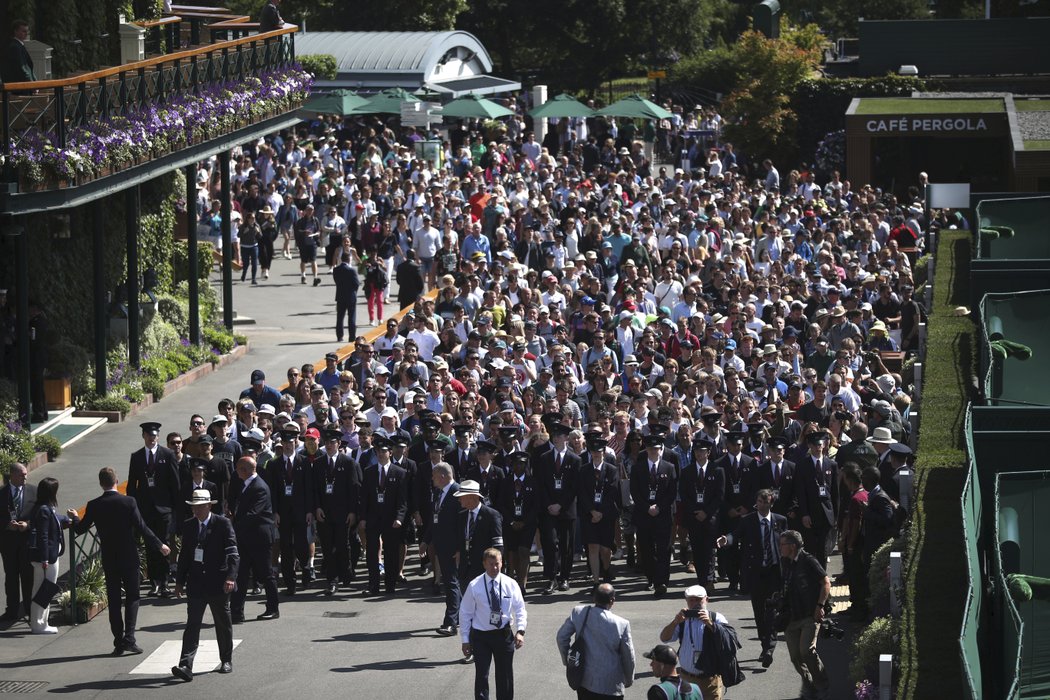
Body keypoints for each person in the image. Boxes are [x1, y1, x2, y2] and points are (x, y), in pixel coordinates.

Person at [74, 467, 170, 654]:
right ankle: (130, 638)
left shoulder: (94, 505)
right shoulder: (128, 501)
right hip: (129, 557)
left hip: (110, 558)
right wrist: (160, 545)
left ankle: (118, 642)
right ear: (116, 480)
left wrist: (75, 518)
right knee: (133, 597)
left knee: (114, 600)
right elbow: (142, 528)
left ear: (101, 483)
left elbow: (80, 529)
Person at [171, 489, 238, 681]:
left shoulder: (223, 524)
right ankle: (185, 664)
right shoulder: (189, 525)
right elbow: (184, 556)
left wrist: (231, 577)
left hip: (218, 582)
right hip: (196, 584)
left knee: (222, 623)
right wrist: (179, 582)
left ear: (209, 506)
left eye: (200, 506)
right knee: (192, 625)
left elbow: (233, 553)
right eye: (194, 507)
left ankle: (226, 659)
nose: (197, 510)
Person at [716, 488, 786, 666]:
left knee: (771, 610)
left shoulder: (780, 521)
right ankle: (765, 646)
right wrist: (727, 539)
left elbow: (788, 543)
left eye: (766, 502)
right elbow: (736, 534)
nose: (762, 505)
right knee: (759, 612)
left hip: (774, 572)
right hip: (755, 572)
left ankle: (769, 647)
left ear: (771, 503)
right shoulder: (748, 521)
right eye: (759, 502)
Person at [459, 548, 527, 700]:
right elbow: (465, 613)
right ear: (484, 564)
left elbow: (520, 609)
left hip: (503, 635)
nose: (495, 568)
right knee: (482, 675)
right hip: (481, 637)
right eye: (491, 564)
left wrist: (520, 631)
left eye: (497, 564)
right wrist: (465, 639)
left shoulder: (511, 584)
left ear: (502, 562)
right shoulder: (474, 585)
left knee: (505, 676)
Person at [126, 421, 181, 598]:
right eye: (148, 435)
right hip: (145, 509)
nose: (151, 438)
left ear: (158, 437)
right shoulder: (137, 457)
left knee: (163, 543)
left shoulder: (168, 454)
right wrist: (133, 508)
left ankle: (164, 582)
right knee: (150, 545)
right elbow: (132, 486)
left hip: (164, 509)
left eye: (154, 435)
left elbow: (175, 484)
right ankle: (154, 583)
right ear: (144, 436)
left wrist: (174, 509)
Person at [556, 583, 636, 699]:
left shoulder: (579, 613)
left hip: (584, 681)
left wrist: (568, 661)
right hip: (610, 686)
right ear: (612, 600)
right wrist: (628, 679)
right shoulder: (621, 624)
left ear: (594, 598)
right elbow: (628, 656)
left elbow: (561, 637)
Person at [778, 529, 831, 700]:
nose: (780, 547)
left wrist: (820, 605)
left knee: (806, 651)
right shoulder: (785, 562)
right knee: (795, 656)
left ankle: (822, 684)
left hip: (809, 615)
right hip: (791, 617)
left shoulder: (808, 561)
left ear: (792, 546)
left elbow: (825, 582)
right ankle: (809, 685)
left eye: (783, 544)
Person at [657, 585, 733, 699]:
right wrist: (675, 622)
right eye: (691, 600)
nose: (695, 603)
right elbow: (664, 638)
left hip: (709, 680)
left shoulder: (716, 618)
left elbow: (730, 640)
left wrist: (710, 624)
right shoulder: (682, 621)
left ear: (706, 599)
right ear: (686, 601)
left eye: (698, 599)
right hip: (686, 679)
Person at [229, 456, 280, 622]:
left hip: (259, 538)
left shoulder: (259, 487)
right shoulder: (245, 485)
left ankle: (273, 608)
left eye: (238, 468)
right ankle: (236, 611)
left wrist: (233, 526)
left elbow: (253, 513)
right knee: (241, 574)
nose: (236, 471)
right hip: (245, 537)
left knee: (266, 573)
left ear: (245, 470)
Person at [361, 435, 409, 595]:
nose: (380, 454)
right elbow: (364, 498)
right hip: (373, 518)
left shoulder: (400, 472)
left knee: (391, 553)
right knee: (372, 553)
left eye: (383, 451)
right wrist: (363, 519)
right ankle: (373, 585)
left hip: (391, 519)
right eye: (377, 451)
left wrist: (399, 518)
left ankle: (390, 585)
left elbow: (403, 500)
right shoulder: (369, 472)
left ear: (390, 452)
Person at [28, 477, 75, 634]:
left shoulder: (43, 508)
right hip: (47, 558)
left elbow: (55, 519)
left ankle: (39, 622)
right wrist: (45, 558)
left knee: (41, 589)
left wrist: (66, 519)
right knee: (44, 590)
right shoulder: (44, 510)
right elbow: (43, 535)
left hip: (45, 557)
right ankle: (39, 624)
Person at [431, 462, 463, 637]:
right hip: (441, 545)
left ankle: (450, 622)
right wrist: (426, 541)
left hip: (453, 547)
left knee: (451, 583)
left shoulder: (457, 492)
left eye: (434, 475)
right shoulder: (438, 492)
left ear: (443, 476)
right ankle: (459, 616)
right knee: (452, 583)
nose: (432, 478)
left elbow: (461, 524)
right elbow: (434, 517)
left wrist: (459, 548)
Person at [1, 462, 36, 622]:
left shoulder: (33, 492)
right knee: (11, 578)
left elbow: (40, 516)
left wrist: (27, 525)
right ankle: (12, 610)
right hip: (8, 544)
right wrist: (7, 525)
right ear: (13, 475)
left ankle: (29, 609)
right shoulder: (2, 494)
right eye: (22, 475)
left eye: (26, 474)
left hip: (26, 542)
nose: (25, 477)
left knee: (28, 576)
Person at [333, 251, 360, 343]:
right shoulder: (352, 270)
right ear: (349, 259)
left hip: (340, 296)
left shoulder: (336, 270)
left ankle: (339, 336)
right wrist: (353, 292)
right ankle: (352, 337)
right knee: (351, 316)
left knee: (340, 317)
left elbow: (336, 281)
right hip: (351, 296)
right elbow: (356, 284)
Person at [1, 20, 35, 86]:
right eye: (23, 31)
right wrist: (31, 84)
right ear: (15, 31)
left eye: (27, 31)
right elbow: (21, 68)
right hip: (20, 86)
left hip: (24, 84)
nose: (26, 33)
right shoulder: (15, 47)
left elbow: (28, 68)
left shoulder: (19, 45)